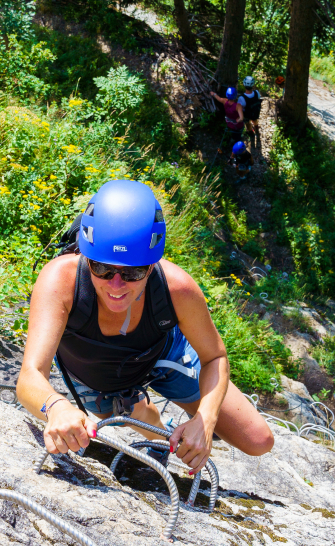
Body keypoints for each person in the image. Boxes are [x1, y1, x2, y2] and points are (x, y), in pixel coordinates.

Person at [17, 180, 274, 477]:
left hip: (162, 355)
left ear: (153, 264)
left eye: (133, 272)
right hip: (98, 374)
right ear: (86, 256)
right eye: (101, 268)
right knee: (122, 412)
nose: (116, 285)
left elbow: (214, 357)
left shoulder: (177, 289)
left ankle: (139, 406)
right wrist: (56, 406)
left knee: (258, 440)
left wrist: (205, 419)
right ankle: (140, 411)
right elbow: (30, 376)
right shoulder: (61, 281)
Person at [238, 76, 263, 146]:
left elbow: (240, 108)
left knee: (248, 123)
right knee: (255, 120)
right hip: (255, 112)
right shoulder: (256, 92)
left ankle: (250, 132)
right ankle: (256, 127)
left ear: (244, 84)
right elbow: (258, 99)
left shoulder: (241, 98)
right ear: (253, 84)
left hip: (247, 114)